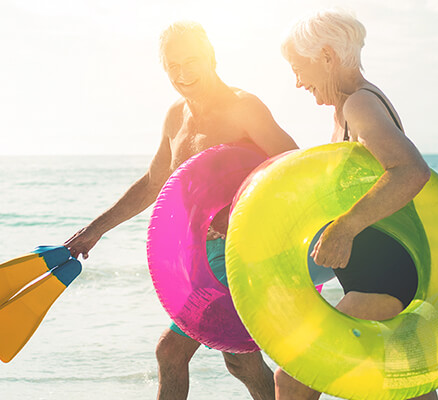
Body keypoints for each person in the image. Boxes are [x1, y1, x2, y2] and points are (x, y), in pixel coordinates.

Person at [64, 21, 298, 400]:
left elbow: (293, 167)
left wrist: (240, 211)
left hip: (243, 253)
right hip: (199, 255)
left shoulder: (243, 108)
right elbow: (155, 183)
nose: (184, 73)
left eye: (192, 61)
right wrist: (97, 229)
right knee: (241, 362)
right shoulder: (176, 115)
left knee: (170, 352)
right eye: (174, 65)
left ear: (212, 57)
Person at [276, 9, 438, 400]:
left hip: (384, 279)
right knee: (406, 388)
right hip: (376, 275)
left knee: (291, 379)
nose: (298, 83)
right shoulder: (348, 106)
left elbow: (411, 171)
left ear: (327, 56)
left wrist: (344, 228)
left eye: (300, 69)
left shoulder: (360, 106)